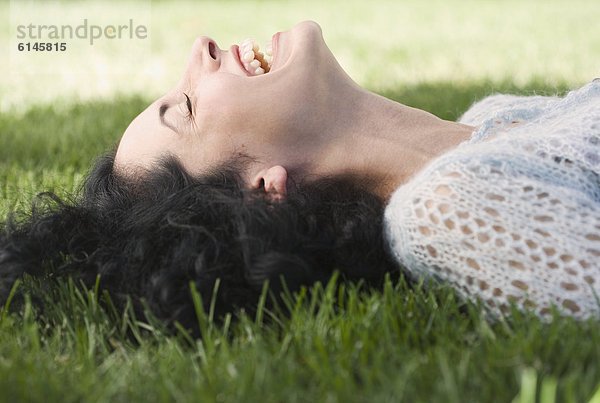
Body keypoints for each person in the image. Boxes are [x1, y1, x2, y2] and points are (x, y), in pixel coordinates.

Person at [1, 21, 599, 331]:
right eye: (186, 106)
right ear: (264, 193)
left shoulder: (489, 120)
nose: (200, 49)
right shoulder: (447, 212)